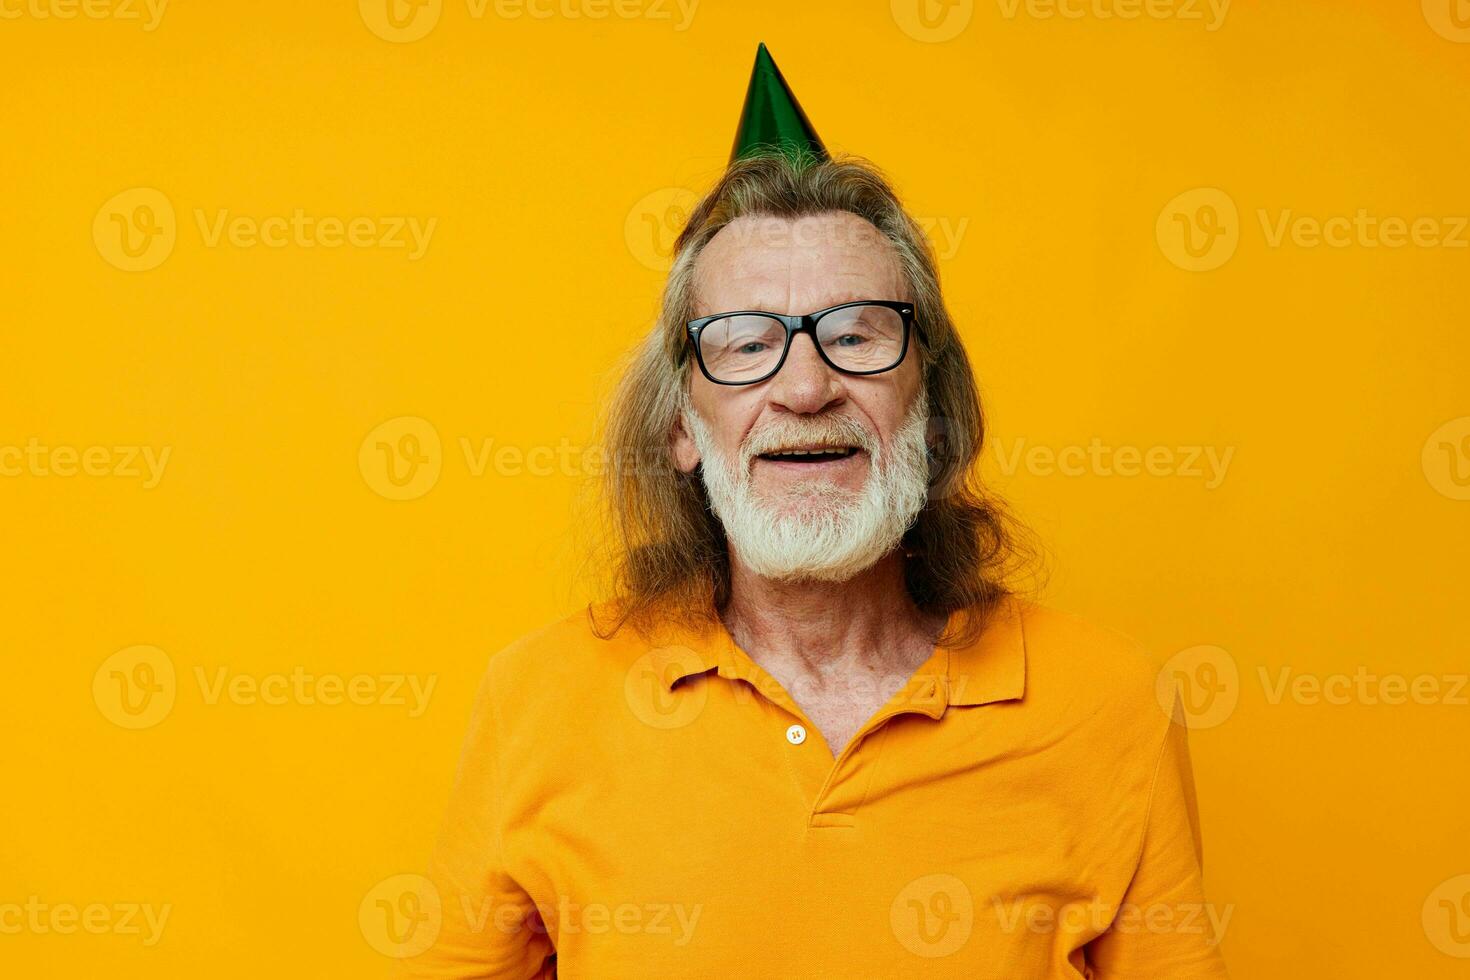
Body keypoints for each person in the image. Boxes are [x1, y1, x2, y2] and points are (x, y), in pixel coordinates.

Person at [399, 43, 1230, 979]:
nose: (804, 385)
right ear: (681, 423)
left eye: (856, 334)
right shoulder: (537, 700)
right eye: (746, 343)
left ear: (935, 405)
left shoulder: (1110, 705)